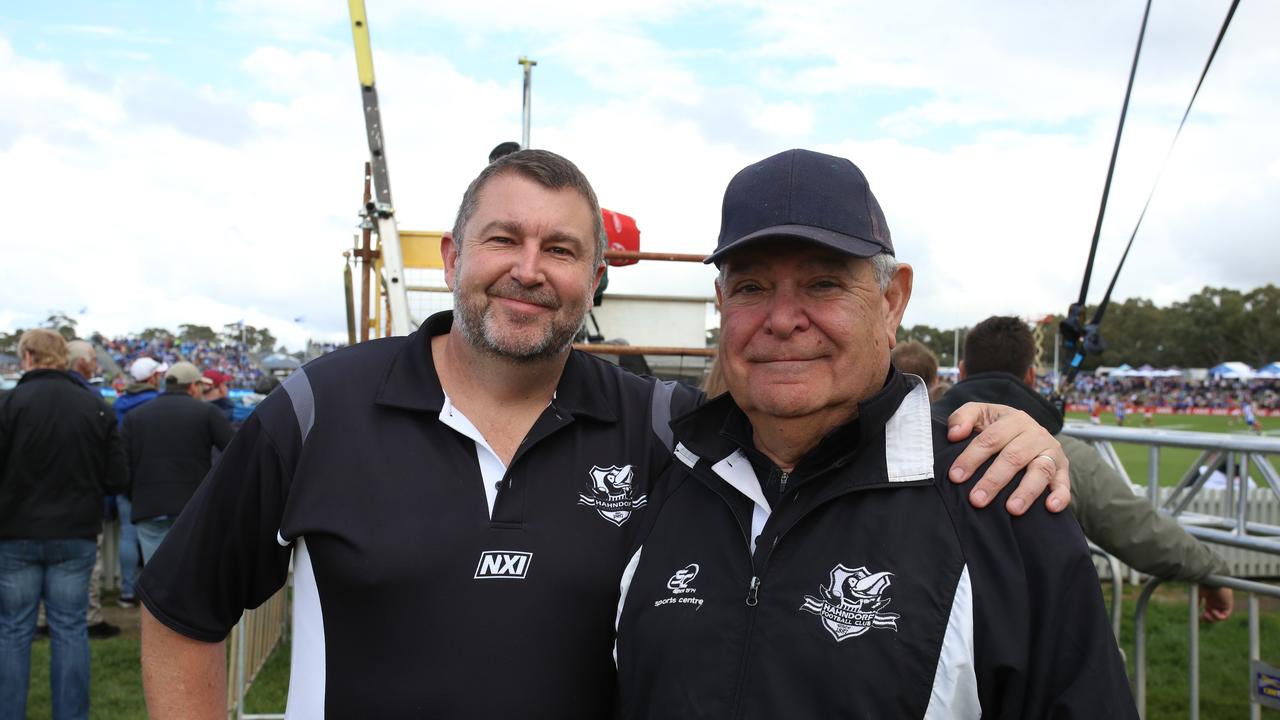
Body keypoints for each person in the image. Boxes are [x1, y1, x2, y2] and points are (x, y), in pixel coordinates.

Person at [137, 149, 1070, 719]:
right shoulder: (318, 408)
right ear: (455, 258)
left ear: (595, 280)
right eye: (504, 240)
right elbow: (183, 607)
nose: (529, 272)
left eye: (563, 251)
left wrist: (990, 426)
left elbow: (826, 427)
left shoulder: (665, 429)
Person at [615, 149, 1134, 718]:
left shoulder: (1003, 503)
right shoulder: (661, 480)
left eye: (822, 283)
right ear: (722, 304)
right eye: (752, 288)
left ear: (892, 303)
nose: (783, 319)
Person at [935, 316, 1234, 622]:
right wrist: (1212, 571)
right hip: (1032, 632)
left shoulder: (914, 437)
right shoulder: (1065, 454)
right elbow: (1138, 529)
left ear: (961, 371)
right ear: (1031, 377)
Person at [0, 329, 128, 720]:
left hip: (16, 533)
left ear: (27, 358)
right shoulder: (96, 407)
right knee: (69, 629)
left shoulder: (8, 405)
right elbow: (117, 478)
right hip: (73, 531)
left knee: (14, 631)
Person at [123, 362, 233, 564]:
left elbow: (125, 464)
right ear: (192, 386)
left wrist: (135, 495)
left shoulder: (135, 415)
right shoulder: (207, 412)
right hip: (192, 505)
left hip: (149, 505)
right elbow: (235, 453)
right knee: (190, 574)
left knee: (154, 576)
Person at [63, 340, 122, 638]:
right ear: (82, 363)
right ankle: (90, 617)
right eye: (93, 360)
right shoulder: (94, 401)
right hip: (82, 502)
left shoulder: (20, 398)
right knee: (87, 569)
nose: (97, 365)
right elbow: (110, 461)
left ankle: (42, 620)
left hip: (32, 505)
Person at [110, 357, 167, 607]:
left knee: (128, 536)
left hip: (125, 478)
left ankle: (126, 592)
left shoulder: (119, 404)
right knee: (157, 537)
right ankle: (156, 594)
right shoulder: (157, 403)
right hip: (151, 480)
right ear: (152, 377)